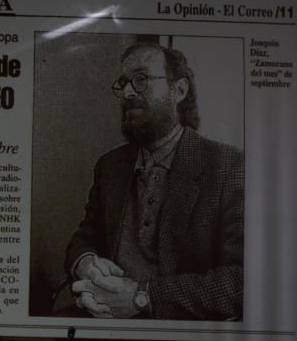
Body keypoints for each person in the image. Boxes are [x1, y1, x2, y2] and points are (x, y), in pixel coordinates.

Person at [58, 42, 244, 320]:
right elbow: (84, 237)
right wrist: (86, 263)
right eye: (123, 83)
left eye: (141, 80)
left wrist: (142, 297)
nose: (128, 92)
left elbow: (241, 281)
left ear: (178, 90)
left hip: (177, 331)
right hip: (103, 317)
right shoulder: (110, 166)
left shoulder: (227, 165)